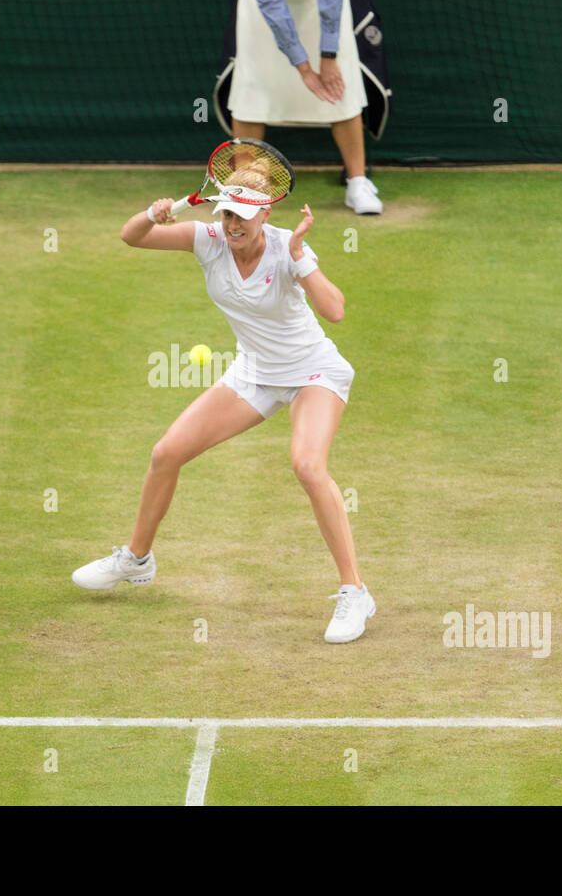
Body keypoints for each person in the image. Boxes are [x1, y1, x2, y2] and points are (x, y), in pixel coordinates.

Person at [70, 194, 376, 644]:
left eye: (244, 217)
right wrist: (152, 215)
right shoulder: (208, 240)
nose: (233, 225)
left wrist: (300, 257)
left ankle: (356, 592)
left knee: (308, 466)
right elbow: (133, 237)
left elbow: (335, 310)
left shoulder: (286, 247)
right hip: (254, 373)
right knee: (166, 453)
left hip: (313, 371)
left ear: (265, 215)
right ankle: (136, 559)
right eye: (228, 214)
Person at [231, 0, 382, 215]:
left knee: (340, 86)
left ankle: (357, 182)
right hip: (263, 0)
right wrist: (303, 67)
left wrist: (328, 55)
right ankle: (244, 187)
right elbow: (269, 1)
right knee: (252, 86)